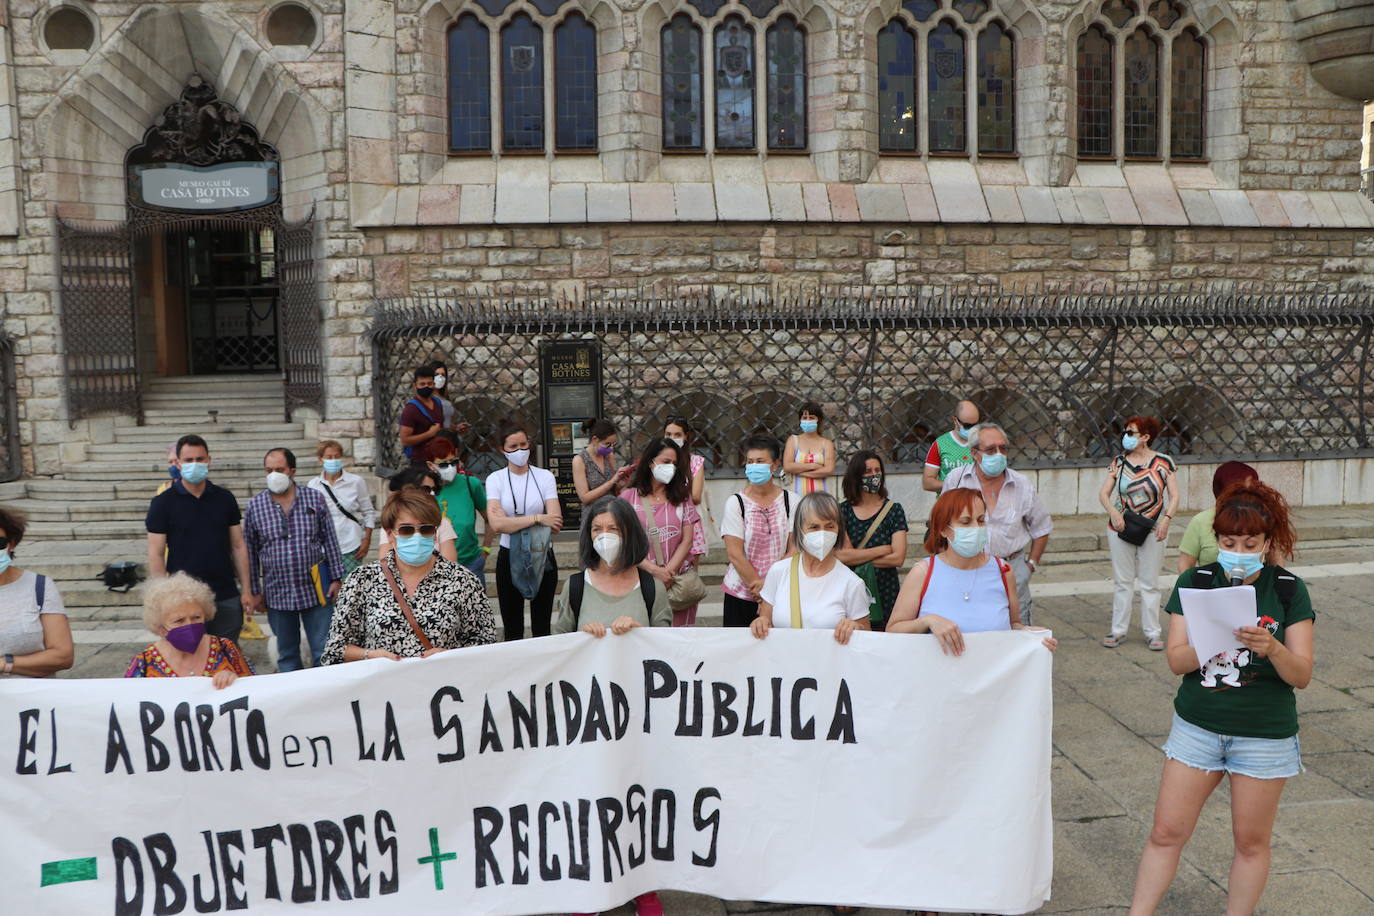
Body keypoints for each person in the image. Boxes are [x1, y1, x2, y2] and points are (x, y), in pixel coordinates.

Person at [1128, 480, 1313, 916]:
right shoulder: (1196, 581)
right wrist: (1211, 642)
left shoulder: (1288, 589)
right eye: (1229, 542)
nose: (1239, 551)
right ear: (1217, 540)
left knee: (1250, 843)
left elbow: (1301, 674)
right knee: (1165, 832)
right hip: (1199, 727)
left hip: (1263, 736)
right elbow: (1176, 661)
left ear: (1267, 543)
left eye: (1250, 543)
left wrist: (1272, 647)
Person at [321, 488, 496, 663]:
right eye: (406, 530)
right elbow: (335, 649)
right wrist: (371, 655)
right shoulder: (361, 580)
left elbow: (486, 643)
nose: (417, 536)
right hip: (383, 686)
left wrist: (450, 656)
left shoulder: (463, 581)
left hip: (443, 686)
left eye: (426, 529)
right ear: (390, 535)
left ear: (435, 534)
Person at [886, 489, 1057, 653]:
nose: (976, 527)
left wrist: (1033, 636)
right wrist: (927, 621)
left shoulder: (1003, 571)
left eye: (981, 520)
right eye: (966, 522)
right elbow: (893, 631)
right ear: (944, 529)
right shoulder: (923, 573)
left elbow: (1013, 625)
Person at [243, 448, 346, 672]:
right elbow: (250, 550)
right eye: (269, 470)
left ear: (292, 471)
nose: (274, 475)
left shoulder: (314, 498)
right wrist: (253, 589)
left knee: (323, 650)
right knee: (287, 654)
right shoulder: (255, 505)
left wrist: (337, 577)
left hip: (316, 588)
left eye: (279, 470)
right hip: (277, 591)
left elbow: (329, 538)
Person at [146, 434, 254, 644]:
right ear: (177, 463)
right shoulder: (162, 503)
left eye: (199, 459)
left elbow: (238, 546)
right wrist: (162, 598)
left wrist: (247, 590)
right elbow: (156, 553)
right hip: (184, 599)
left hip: (225, 593)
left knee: (226, 657)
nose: (194, 464)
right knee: (189, 659)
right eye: (188, 460)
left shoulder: (225, 498)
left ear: (208, 460)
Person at [941, 423, 1051, 625]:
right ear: (975, 453)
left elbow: (1041, 527)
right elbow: (942, 523)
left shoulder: (1022, 484)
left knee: (1017, 626)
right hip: (968, 567)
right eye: (991, 449)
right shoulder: (956, 480)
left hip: (1012, 567)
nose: (999, 454)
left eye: (1003, 448)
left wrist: (1030, 566)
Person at [1099, 416, 1179, 651]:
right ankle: (1118, 630)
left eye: (1131, 432)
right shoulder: (1119, 462)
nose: (1126, 436)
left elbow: (1174, 495)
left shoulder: (1164, 462)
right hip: (1120, 527)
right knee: (1122, 580)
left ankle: (1153, 632)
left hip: (1153, 527)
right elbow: (1104, 493)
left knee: (1149, 582)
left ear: (1146, 437)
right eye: (1125, 432)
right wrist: (1113, 513)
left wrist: (1166, 520)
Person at [750, 492, 871, 644]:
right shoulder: (778, 572)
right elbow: (765, 619)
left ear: (839, 530)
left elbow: (867, 637)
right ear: (800, 530)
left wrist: (855, 628)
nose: (822, 533)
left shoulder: (852, 583)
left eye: (829, 526)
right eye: (814, 527)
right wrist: (760, 623)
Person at [486, 422, 562, 640]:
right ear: (503, 449)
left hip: (542, 553)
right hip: (509, 554)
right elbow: (497, 525)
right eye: (513, 447)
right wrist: (538, 518)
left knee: (542, 626)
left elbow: (555, 522)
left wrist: (513, 521)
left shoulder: (544, 476)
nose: (520, 451)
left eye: (523, 444)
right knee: (512, 629)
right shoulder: (496, 479)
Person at [553, 496, 670, 635]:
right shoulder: (575, 587)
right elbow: (560, 644)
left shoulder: (652, 588)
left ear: (630, 532)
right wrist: (581, 637)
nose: (604, 536)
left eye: (613, 528)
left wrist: (639, 632)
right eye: (597, 529)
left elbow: (664, 645)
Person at [621, 438, 704, 627]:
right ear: (651, 462)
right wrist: (654, 571)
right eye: (666, 462)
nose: (671, 468)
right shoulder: (628, 498)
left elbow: (688, 540)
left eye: (674, 464)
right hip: (639, 582)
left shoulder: (682, 497)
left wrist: (668, 573)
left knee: (678, 643)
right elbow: (624, 543)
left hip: (677, 584)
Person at [124, 572, 254, 686]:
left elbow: (257, 689)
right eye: (179, 620)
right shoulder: (144, 664)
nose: (189, 625)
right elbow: (127, 704)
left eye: (196, 617)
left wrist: (236, 681)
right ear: (160, 627)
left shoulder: (226, 649)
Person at [720, 434, 795, 628]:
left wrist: (768, 587)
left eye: (760, 461)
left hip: (781, 591)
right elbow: (734, 553)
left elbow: (794, 550)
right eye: (750, 462)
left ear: (774, 465)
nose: (754, 466)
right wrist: (758, 588)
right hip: (741, 592)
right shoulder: (736, 503)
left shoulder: (792, 501)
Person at [835, 451, 909, 629]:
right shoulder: (842, 511)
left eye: (877, 470)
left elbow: (898, 558)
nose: (874, 475)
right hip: (852, 588)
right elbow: (842, 556)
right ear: (856, 475)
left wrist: (857, 557)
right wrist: (883, 549)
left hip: (886, 590)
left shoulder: (894, 510)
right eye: (867, 471)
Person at [0, 507, 73, 678]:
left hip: (32, 700)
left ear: (11, 544)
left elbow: (63, 655)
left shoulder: (38, 586)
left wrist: (5, 664)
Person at [307, 439, 378, 579]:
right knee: (327, 592)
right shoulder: (314, 485)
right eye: (329, 457)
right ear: (320, 459)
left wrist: (367, 540)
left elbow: (368, 512)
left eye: (336, 456)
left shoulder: (356, 481)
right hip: (323, 547)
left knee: (352, 587)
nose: (333, 460)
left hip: (351, 543)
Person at [429, 434, 495, 582]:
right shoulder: (426, 490)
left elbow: (490, 519)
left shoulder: (471, 484)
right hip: (435, 568)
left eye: (454, 462)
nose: (450, 468)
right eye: (443, 464)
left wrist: (485, 550)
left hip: (471, 565)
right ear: (431, 466)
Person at [1178, 461, 1261, 573]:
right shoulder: (1201, 521)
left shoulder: (1264, 520)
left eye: (1250, 545)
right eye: (1229, 544)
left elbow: (1276, 564)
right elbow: (1185, 565)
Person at [378, 467, 461, 563]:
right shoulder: (393, 520)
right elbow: (385, 561)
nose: (432, 493)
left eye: (427, 529)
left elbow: (449, 563)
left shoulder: (442, 522)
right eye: (405, 530)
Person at [923, 399, 981, 492]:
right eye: (967, 425)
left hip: (976, 503)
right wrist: (955, 484)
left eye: (975, 425)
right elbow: (927, 483)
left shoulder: (982, 443)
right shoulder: (940, 444)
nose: (971, 429)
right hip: (948, 503)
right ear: (955, 420)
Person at [572, 418, 634, 505]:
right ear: (595, 439)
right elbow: (584, 498)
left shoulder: (608, 456)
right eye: (607, 444)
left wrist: (620, 484)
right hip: (594, 512)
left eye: (613, 444)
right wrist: (612, 481)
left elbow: (614, 490)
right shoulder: (580, 460)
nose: (610, 448)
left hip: (613, 508)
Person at [782, 401, 835, 495]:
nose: (808, 420)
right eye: (804, 418)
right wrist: (813, 466)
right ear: (800, 420)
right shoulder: (793, 440)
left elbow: (828, 469)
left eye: (811, 418)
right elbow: (788, 466)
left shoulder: (827, 443)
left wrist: (801, 473)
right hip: (796, 494)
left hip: (821, 495)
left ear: (818, 420)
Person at [398, 365, 444, 459]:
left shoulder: (437, 402)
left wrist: (456, 428)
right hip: (420, 460)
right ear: (415, 385)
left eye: (429, 383)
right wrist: (429, 434)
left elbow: (439, 426)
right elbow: (405, 440)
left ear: (433, 384)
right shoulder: (411, 409)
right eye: (422, 384)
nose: (426, 387)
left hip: (437, 458)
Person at [426, 357, 471, 434]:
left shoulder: (445, 398)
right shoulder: (426, 398)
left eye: (443, 375)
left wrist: (456, 427)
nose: (440, 378)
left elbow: (446, 423)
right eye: (436, 374)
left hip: (448, 439)